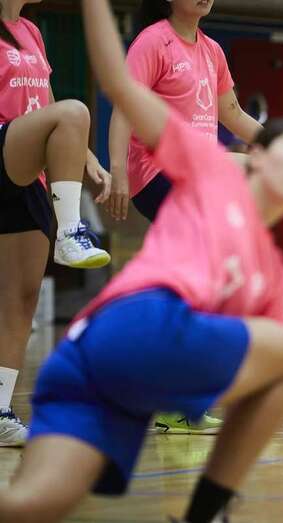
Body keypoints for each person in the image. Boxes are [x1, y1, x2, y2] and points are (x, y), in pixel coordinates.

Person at [0, 0, 283, 521]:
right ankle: (207, 512)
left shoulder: (271, 274)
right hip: (130, 325)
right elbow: (118, 84)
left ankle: (185, 433)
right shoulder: (206, 168)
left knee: (29, 506)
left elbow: (262, 379)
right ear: (258, 155)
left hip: (89, 375)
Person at [108, 0, 263, 435]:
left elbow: (230, 114)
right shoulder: (152, 42)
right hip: (158, 170)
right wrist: (118, 170)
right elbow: (124, 106)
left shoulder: (212, 50)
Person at [0, 0, 111, 447]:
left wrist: (84, 156)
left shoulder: (31, 30)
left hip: (26, 172)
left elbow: (44, 102)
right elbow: (61, 113)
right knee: (76, 111)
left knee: (20, 298)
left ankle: (0, 410)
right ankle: (71, 232)